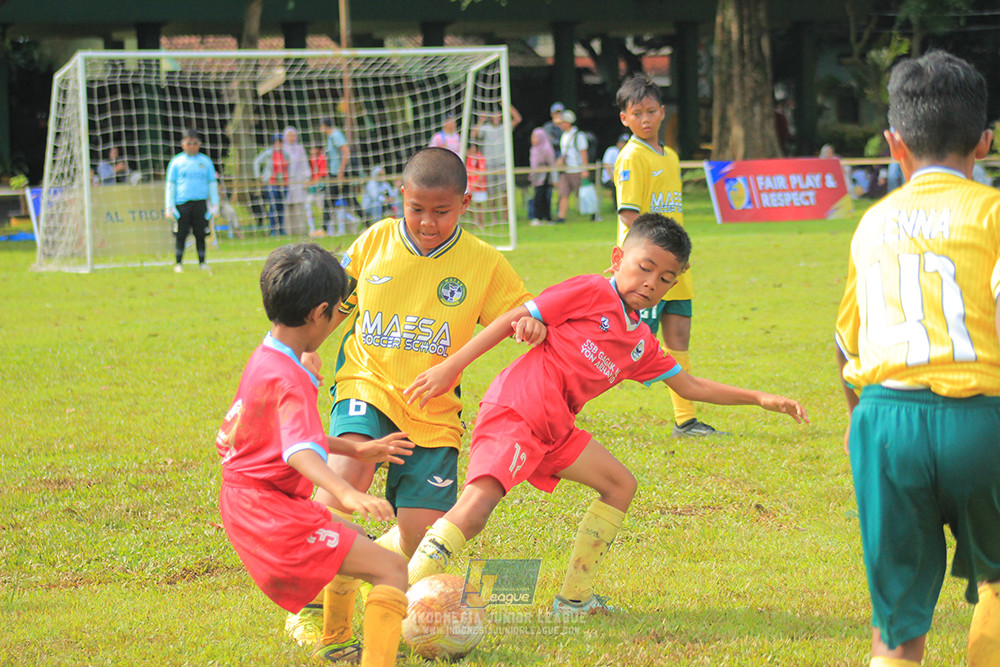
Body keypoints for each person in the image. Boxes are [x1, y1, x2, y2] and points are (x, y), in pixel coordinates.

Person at [403, 213, 808, 614]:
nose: (652, 283)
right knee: (475, 511)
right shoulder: (592, 291)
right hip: (519, 407)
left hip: (555, 428)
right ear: (618, 259)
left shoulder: (640, 344)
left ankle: (574, 600)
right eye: (645, 268)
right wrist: (453, 366)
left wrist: (760, 398)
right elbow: (515, 319)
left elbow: (691, 387)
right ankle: (398, 596)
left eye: (666, 278)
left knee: (620, 485)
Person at [284, 147, 533, 649]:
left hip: (433, 413)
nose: (426, 222)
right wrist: (305, 350)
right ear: (402, 196)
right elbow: (333, 304)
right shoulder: (376, 240)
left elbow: (520, 313)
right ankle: (313, 612)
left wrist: (527, 322)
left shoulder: (484, 262)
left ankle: (369, 575)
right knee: (341, 482)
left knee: (420, 535)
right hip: (365, 385)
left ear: (465, 203)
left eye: (441, 211)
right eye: (416, 209)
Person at [834, 51, 1000, 667]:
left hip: (885, 421)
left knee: (896, 631)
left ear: (893, 143)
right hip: (981, 416)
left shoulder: (871, 224)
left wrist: (860, 420)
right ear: (985, 141)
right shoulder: (992, 214)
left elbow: (846, 343)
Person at [218, 242, 413, 664]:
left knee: (356, 539)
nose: (338, 319)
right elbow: (299, 452)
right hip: (268, 513)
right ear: (317, 313)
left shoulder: (269, 356)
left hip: (248, 502)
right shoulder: (289, 378)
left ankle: (337, 641)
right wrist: (347, 493)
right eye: (338, 311)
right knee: (391, 570)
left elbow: (289, 437)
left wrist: (359, 451)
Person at [614, 74, 717, 436]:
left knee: (679, 337)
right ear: (624, 118)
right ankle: (566, 400)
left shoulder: (669, 156)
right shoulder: (631, 158)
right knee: (623, 344)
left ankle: (685, 420)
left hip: (675, 264)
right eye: (637, 112)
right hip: (648, 267)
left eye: (652, 111)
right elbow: (629, 215)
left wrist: (678, 253)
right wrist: (656, 256)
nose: (646, 118)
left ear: (662, 113)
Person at [164, 129, 218, 273]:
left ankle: (202, 262)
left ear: (199, 144)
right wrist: (169, 205)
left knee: (200, 234)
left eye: (195, 143)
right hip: (182, 204)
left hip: (200, 203)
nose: (192, 146)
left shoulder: (205, 162)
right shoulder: (176, 162)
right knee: (180, 235)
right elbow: (171, 185)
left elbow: (212, 183)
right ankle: (178, 263)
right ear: (183, 144)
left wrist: (215, 204)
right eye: (189, 143)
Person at [473, 106, 522, 223]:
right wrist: (481, 120)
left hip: (502, 163)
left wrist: (507, 106)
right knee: (491, 192)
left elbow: (518, 119)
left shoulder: (504, 128)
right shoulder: (486, 128)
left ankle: (505, 215)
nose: (496, 118)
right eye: (494, 115)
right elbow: (473, 134)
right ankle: (493, 216)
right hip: (489, 164)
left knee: (504, 191)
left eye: (498, 115)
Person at [555, 109, 588, 223]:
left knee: (582, 194)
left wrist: (584, 169)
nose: (560, 124)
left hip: (576, 169)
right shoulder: (564, 135)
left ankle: (591, 212)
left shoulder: (578, 135)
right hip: (566, 170)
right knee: (563, 193)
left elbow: (583, 152)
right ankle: (561, 216)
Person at [320, 117, 351, 234]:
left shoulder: (335, 135)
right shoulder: (331, 136)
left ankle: (323, 229)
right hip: (334, 172)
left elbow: (345, 151)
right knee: (334, 199)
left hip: (339, 173)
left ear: (324, 126)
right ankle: (324, 228)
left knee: (331, 199)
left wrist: (341, 171)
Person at [254, 133, 288, 236]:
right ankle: (273, 229)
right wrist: (259, 176)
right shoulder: (268, 153)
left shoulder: (286, 154)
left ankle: (281, 228)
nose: (278, 144)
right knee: (273, 206)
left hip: (284, 183)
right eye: (276, 142)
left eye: (280, 142)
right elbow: (256, 161)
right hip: (271, 183)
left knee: (281, 207)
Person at [282, 126, 311, 236]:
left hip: (298, 181)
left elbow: (304, 164)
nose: (291, 138)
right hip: (286, 181)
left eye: (293, 135)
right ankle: (288, 231)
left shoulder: (300, 148)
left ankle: (301, 230)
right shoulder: (282, 149)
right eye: (289, 136)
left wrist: (307, 177)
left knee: (299, 205)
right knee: (287, 206)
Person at [528, 127, 556, 226]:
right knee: (536, 197)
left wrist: (553, 178)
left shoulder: (546, 149)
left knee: (543, 197)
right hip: (536, 178)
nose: (533, 140)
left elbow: (551, 164)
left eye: (535, 137)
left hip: (544, 178)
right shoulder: (533, 150)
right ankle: (537, 216)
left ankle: (545, 217)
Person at [601, 133, 629, 211]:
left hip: (623, 178)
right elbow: (607, 165)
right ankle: (617, 207)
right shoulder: (612, 151)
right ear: (618, 143)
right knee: (616, 187)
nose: (623, 145)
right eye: (622, 142)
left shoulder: (628, 152)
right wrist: (613, 178)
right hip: (609, 178)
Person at [306, 145, 329, 236]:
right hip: (313, 189)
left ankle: (327, 229)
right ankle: (312, 229)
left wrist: (313, 182)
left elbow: (323, 174)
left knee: (322, 208)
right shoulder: (311, 160)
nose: (312, 151)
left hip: (320, 188)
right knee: (308, 205)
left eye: (313, 149)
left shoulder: (322, 159)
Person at [465, 143, 487, 228]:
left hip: (479, 186)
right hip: (469, 185)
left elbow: (482, 172)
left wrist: (476, 183)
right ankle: (475, 221)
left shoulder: (480, 157)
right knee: (468, 204)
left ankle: (481, 223)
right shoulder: (468, 158)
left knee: (480, 205)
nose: (473, 149)